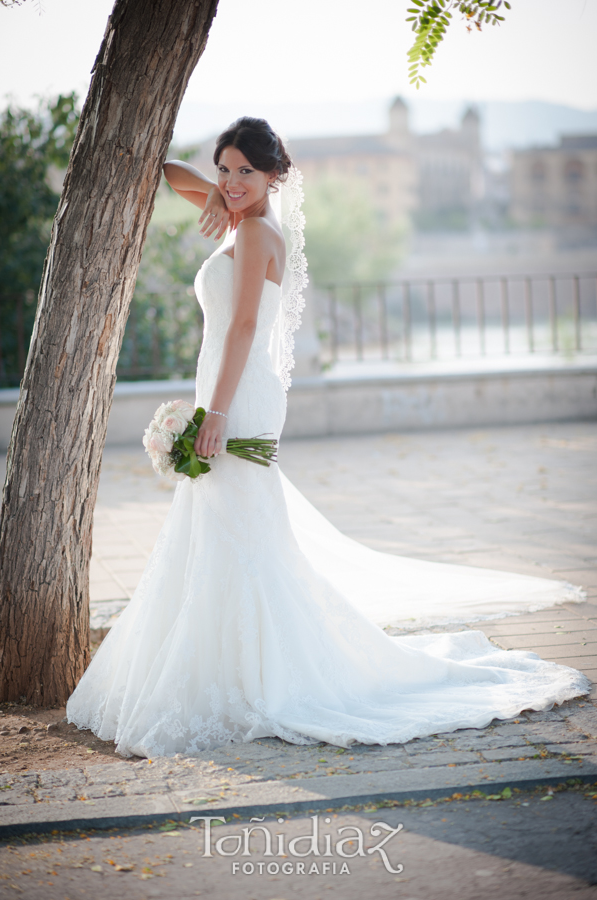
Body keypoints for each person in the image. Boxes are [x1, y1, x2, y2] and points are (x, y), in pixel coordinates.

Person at [66, 117, 590, 758]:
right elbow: (171, 176)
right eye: (226, 168)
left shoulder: (256, 230)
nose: (232, 181)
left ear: (274, 177)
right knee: (225, 526)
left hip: (240, 397)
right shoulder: (239, 212)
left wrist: (216, 414)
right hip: (227, 390)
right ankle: (237, 666)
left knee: (239, 529)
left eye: (245, 172)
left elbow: (244, 326)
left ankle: (268, 673)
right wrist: (203, 185)